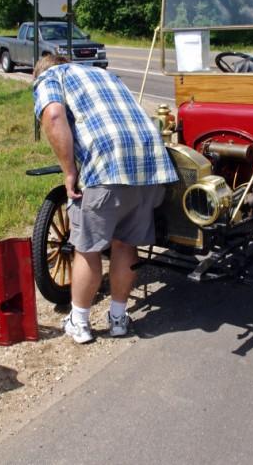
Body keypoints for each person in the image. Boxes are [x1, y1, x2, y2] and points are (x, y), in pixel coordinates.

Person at [33, 55, 178, 344]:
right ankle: (119, 318)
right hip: (149, 162)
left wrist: (69, 170)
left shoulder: (51, 77)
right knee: (125, 244)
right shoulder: (102, 75)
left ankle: (80, 321)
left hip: (107, 165)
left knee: (88, 248)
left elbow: (53, 116)